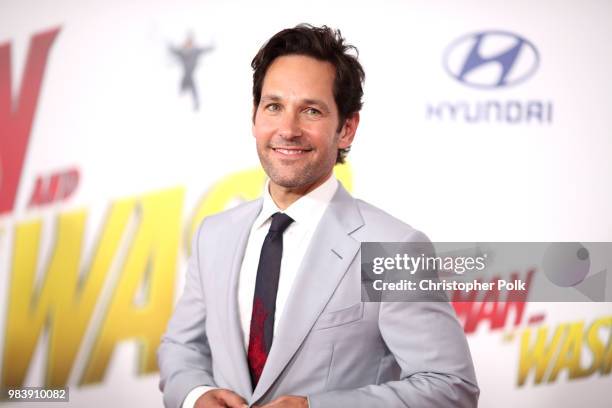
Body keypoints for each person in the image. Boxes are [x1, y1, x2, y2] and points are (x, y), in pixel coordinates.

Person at [158, 24, 479, 408]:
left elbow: (449, 386)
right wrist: (196, 396)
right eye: (273, 106)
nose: (287, 130)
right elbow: (181, 346)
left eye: (310, 110)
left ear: (346, 129)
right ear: (255, 116)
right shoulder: (214, 234)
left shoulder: (395, 248)